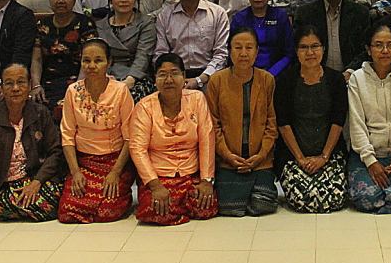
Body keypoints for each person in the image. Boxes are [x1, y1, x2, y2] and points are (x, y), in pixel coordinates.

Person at [0, 63, 65, 222]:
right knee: (0, 205)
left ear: (30, 85)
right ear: (2, 87)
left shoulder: (40, 112)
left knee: (56, 197)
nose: (15, 88)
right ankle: (29, 208)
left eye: (21, 82)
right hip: (8, 185)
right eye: (9, 83)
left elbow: (55, 151)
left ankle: (29, 206)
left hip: (37, 180)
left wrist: (37, 182)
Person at [129, 53, 219, 225]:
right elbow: (137, 149)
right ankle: (177, 206)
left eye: (175, 73)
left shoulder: (197, 99)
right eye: (162, 74)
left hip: (189, 175)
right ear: (155, 79)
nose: (169, 79)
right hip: (158, 176)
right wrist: (155, 185)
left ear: (184, 76)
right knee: (153, 210)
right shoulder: (144, 107)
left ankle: (177, 207)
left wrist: (206, 180)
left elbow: (206, 140)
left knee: (206, 207)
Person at [58, 39, 136, 223]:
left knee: (107, 213)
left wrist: (116, 172)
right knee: (67, 212)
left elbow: (129, 137)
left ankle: (122, 194)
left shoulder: (120, 91)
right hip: (84, 162)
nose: (91, 66)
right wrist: (76, 172)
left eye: (98, 60)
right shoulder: (72, 91)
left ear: (109, 63)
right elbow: (67, 136)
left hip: (116, 161)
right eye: (86, 60)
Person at [274, 25, 349, 213]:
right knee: (304, 198)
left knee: (335, 197)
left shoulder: (335, 80)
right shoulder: (285, 80)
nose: (310, 52)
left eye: (315, 46)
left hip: (329, 155)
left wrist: (324, 157)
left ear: (323, 49)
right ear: (296, 51)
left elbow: (338, 122)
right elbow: (283, 124)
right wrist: (300, 158)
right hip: (294, 157)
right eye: (303, 47)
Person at [206, 27, 279, 217]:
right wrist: (229, 156)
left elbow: (272, 124)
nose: (244, 53)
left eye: (249, 47)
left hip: (260, 160)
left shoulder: (267, 80)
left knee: (263, 205)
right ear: (229, 51)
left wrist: (261, 155)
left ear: (256, 51)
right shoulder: (216, 81)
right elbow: (213, 125)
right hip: (229, 160)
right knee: (230, 208)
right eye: (238, 48)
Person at [346, 23, 391, 214]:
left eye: (390, 45)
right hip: (366, 156)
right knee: (366, 199)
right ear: (368, 49)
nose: (385, 51)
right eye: (378, 45)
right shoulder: (357, 79)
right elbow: (356, 124)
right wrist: (370, 161)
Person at [155, 0, 231, 90]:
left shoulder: (217, 13)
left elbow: (221, 54)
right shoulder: (165, 16)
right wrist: (174, 77)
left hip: (209, 75)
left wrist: (200, 79)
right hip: (175, 76)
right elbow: (161, 53)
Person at [32, 0, 97, 114]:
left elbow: (88, 60)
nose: (61, 0)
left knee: (66, 106)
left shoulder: (85, 24)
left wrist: (78, 88)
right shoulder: (42, 25)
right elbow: (37, 59)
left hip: (76, 80)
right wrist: (36, 84)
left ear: (74, 0)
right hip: (47, 80)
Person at [294, 0, 371, 74]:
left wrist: (350, 72)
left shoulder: (360, 13)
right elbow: (299, 50)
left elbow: (366, 50)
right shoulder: (305, 14)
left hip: (352, 77)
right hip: (315, 76)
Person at [96, 0, 158, 101]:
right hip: (106, 75)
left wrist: (130, 79)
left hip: (136, 76)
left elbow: (143, 55)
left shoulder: (145, 23)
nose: (124, 0)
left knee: (129, 98)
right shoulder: (100, 26)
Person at [230, 0, 293, 77]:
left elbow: (289, 53)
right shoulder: (239, 18)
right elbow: (233, 51)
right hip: (244, 74)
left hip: (276, 75)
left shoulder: (280, 16)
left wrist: (271, 74)